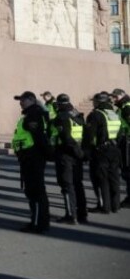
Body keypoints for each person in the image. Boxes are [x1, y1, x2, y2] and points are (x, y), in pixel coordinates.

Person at [11, 91, 51, 233]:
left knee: (35, 191)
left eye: (23, 99)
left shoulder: (34, 114)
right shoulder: (34, 113)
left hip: (32, 156)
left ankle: (38, 224)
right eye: (20, 99)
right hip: (31, 156)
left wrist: (42, 154)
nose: (21, 102)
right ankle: (40, 221)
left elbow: (39, 137)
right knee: (35, 190)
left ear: (32, 100)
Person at [50, 94, 87, 224]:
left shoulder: (62, 116)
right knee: (78, 184)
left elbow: (66, 137)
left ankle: (71, 216)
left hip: (66, 153)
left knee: (67, 185)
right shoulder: (76, 114)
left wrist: (77, 151)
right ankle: (82, 214)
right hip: (77, 153)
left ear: (59, 104)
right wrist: (81, 152)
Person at [83, 92, 122, 214]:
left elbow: (89, 135)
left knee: (101, 179)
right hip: (114, 149)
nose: (92, 103)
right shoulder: (114, 114)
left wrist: (87, 151)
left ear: (98, 101)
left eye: (93, 101)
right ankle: (115, 205)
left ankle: (104, 206)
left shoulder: (95, 115)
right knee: (114, 178)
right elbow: (120, 133)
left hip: (101, 151)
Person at [110, 88, 130, 207]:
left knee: (128, 170)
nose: (114, 99)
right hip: (124, 140)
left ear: (122, 95)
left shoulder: (126, 107)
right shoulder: (122, 106)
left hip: (127, 141)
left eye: (116, 96)